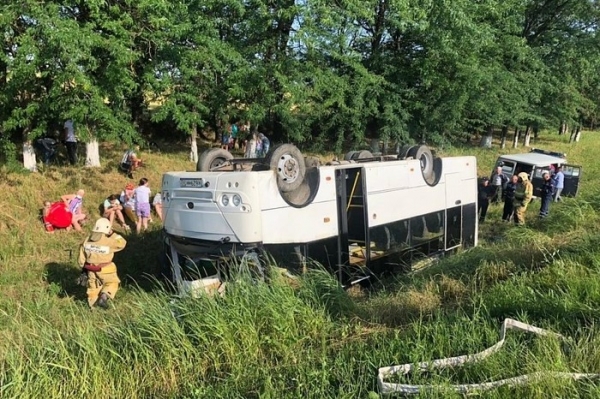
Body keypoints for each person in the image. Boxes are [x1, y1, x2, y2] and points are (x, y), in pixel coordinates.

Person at [78, 217, 127, 309]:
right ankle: (104, 297)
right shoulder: (108, 241)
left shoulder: (87, 240)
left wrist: (83, 269)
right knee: (112, 283)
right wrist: (113, 234)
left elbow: (81, 258)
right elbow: (122, 243)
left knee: (93, 289)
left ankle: (92, 308)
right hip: (106, 268)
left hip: (90, 269)